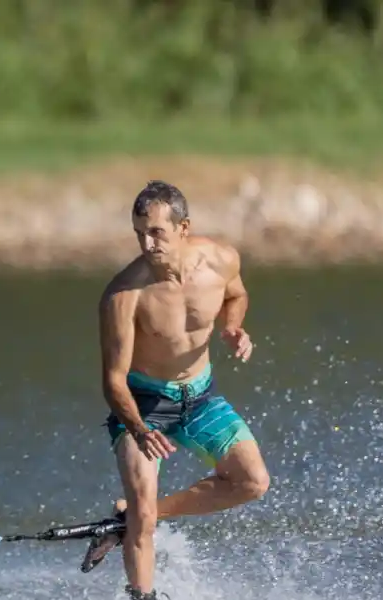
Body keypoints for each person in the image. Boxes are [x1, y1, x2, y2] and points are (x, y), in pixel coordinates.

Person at [81, 181, 271, 600]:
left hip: (200, 399)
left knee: (252, 482)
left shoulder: (221, 260)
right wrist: (138, 430)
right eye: (139, 234)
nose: (147, 244)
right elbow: (113, 380)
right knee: (142, 516)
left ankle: (129, 519)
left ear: (183, 228)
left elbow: (237, 295)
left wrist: (233, 326)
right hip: (144, 407)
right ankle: (141, 591)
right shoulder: (123, 295)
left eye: (156, 233)